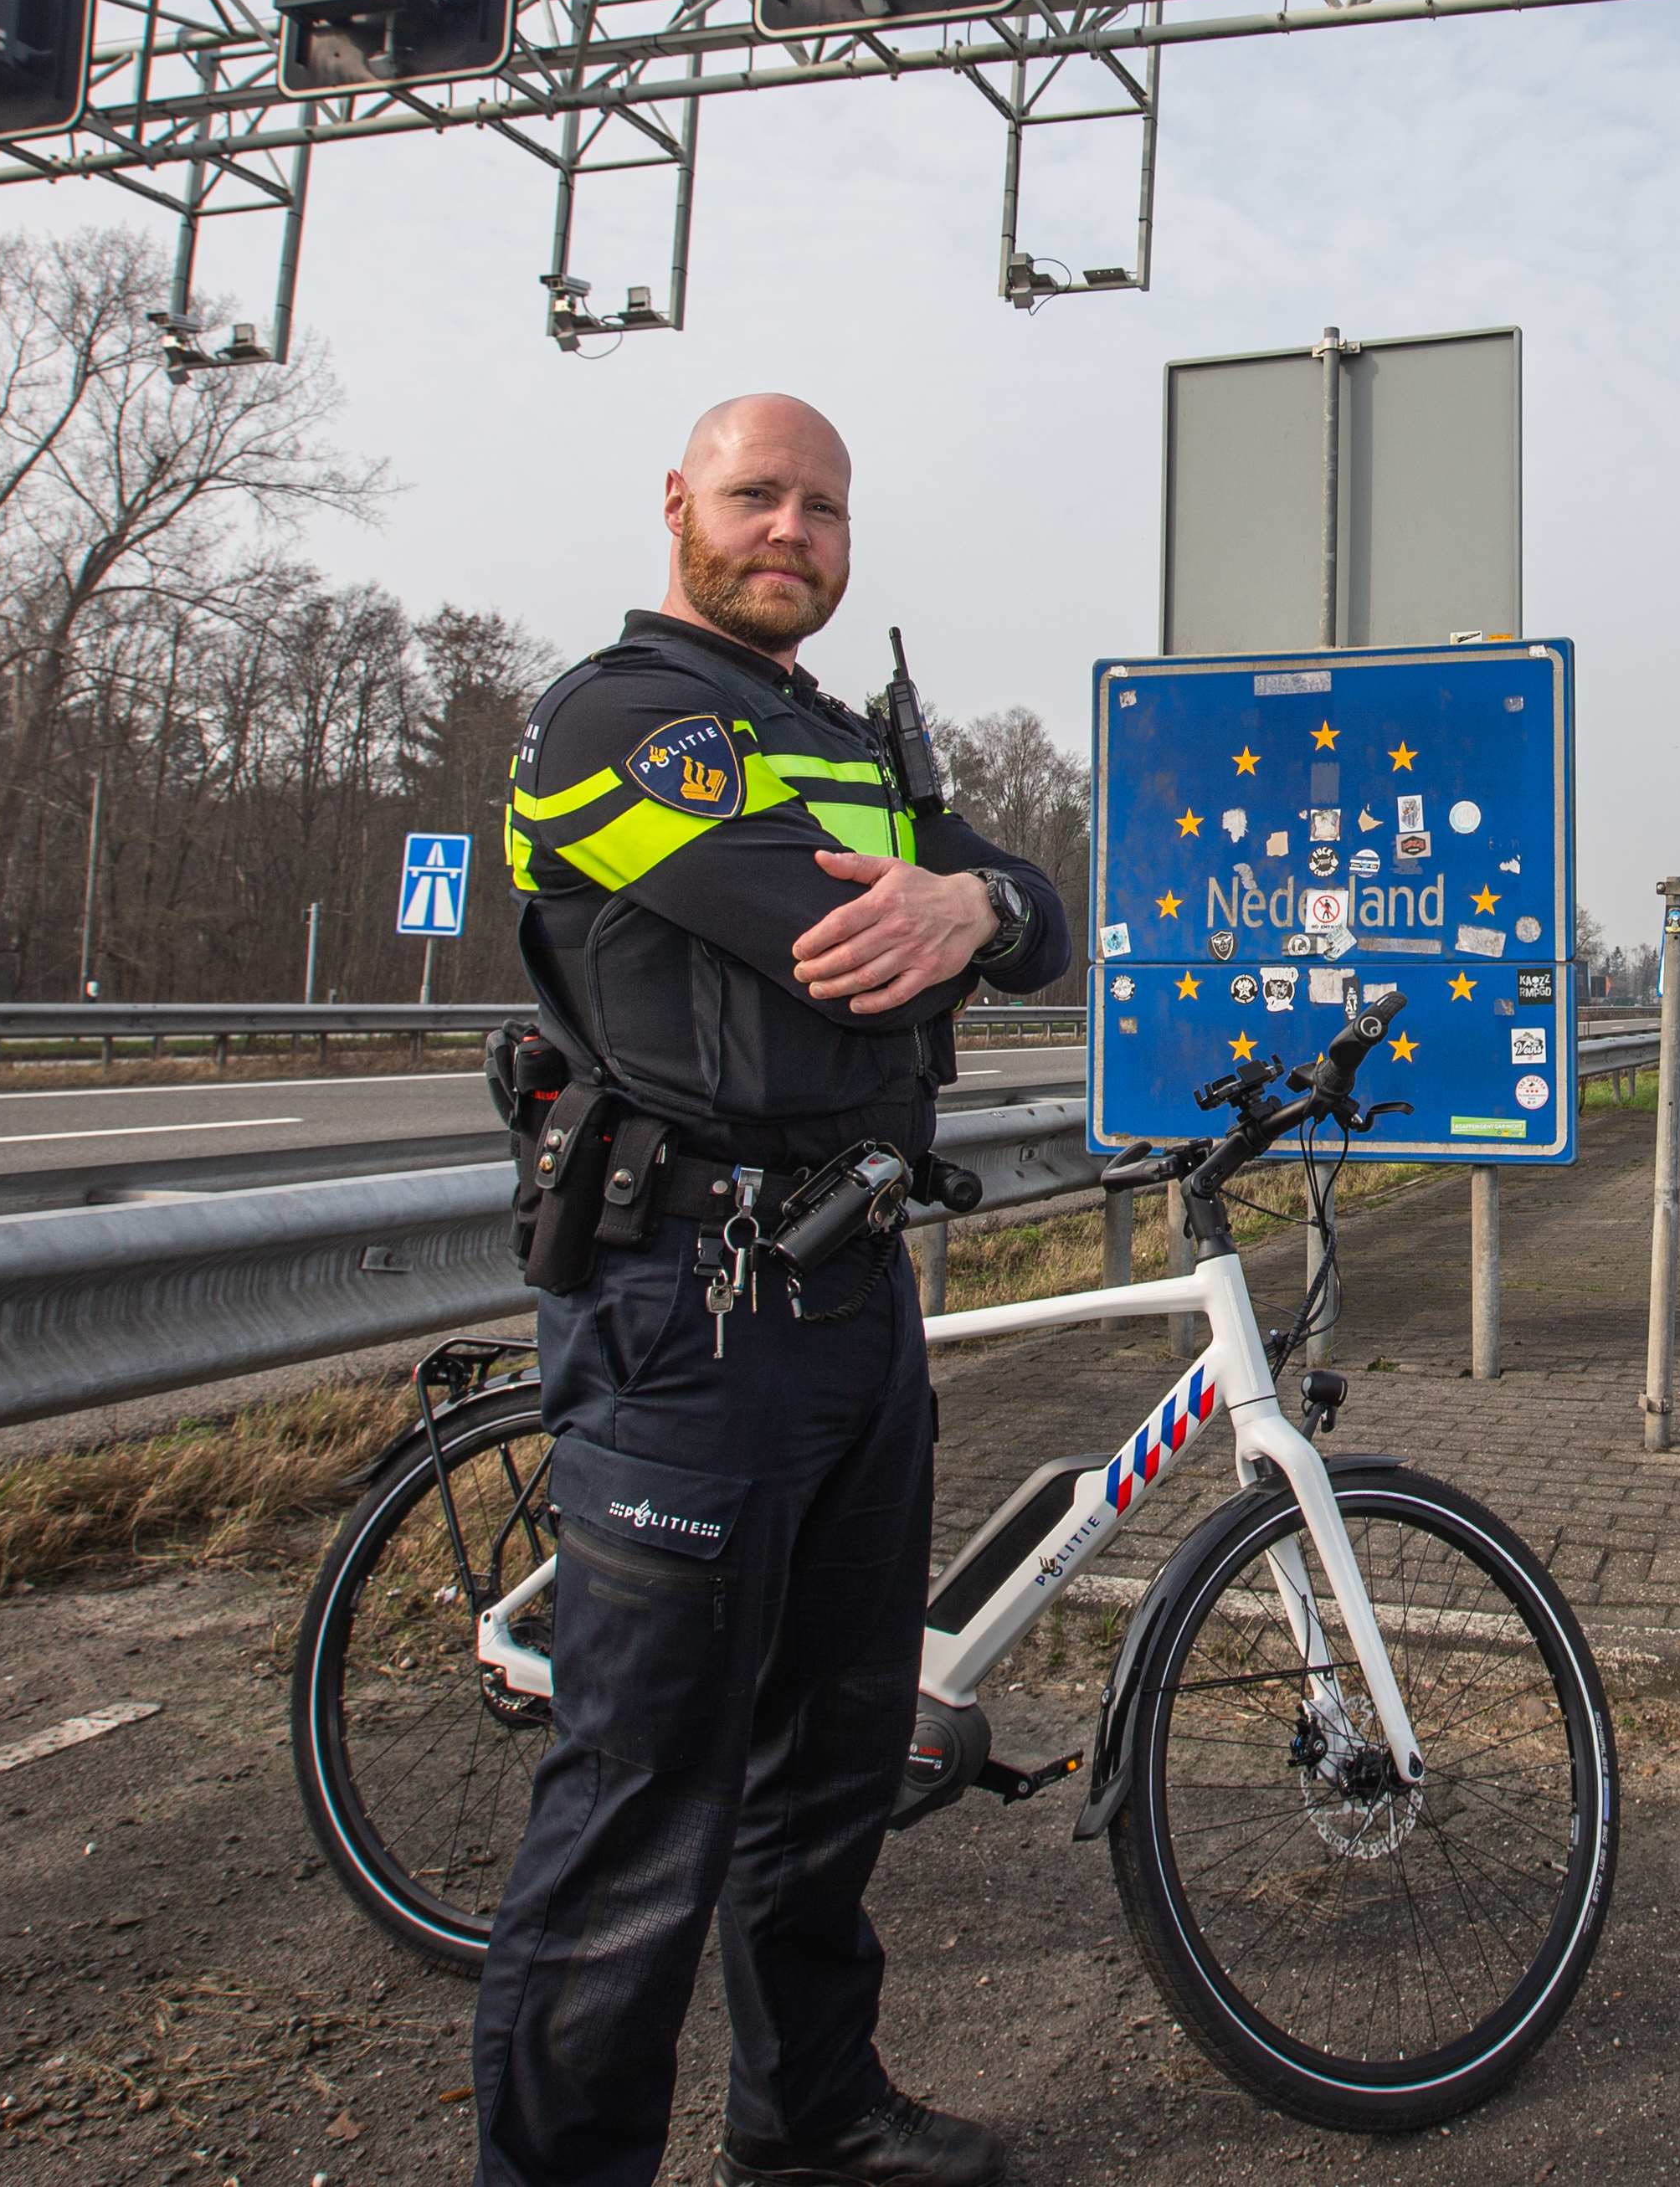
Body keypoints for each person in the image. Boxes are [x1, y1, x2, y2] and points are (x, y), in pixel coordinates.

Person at [474, 393, 1070, 2187]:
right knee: (643, 1815)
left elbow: (1019, 894)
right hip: (689, 1311)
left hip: (850, 1297)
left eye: (820, 506)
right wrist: (957, 915)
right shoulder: (614, 718)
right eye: (755, 497)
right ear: (679, 504)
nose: (789, 531)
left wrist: (976, 910)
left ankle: (806, 2121)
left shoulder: (834, 727)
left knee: (827, 1769)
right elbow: (839, 950)